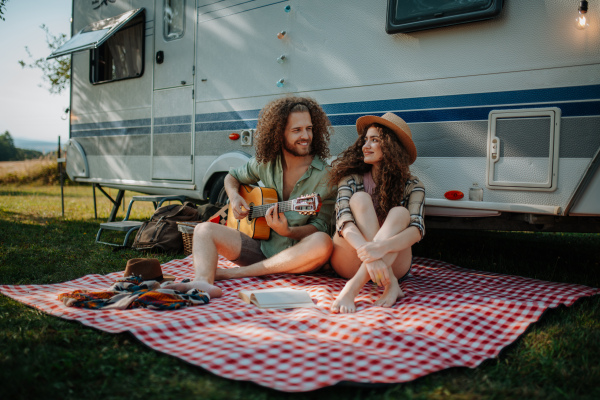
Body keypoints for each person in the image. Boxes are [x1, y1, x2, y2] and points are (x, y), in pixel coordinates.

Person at [167, 96, 336, 296]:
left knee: (323, 241)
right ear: (279, 133)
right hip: (260, 248)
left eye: (309, 128)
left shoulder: (326, 176)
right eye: (297, 130)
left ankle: (232, 274)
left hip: (297, 257)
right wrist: (235, 198)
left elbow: (321, 226)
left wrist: (288, 230)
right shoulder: (266, 163)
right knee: (203, 230)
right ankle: (203, 281)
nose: (306, 136)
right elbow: (232, 177)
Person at [328, 112, 425, 313]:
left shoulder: (413, 186)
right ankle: (392, 285)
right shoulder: (351, 179)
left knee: (400, 213)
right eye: (365, 140)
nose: (365, 146)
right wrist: (368, 250)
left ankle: (351, 289)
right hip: (351, 256)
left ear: (392, 146)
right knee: (360, 198)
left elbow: (417, 230)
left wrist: (381, 247)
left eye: (375, 140)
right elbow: (343, 222)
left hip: (393, 259)